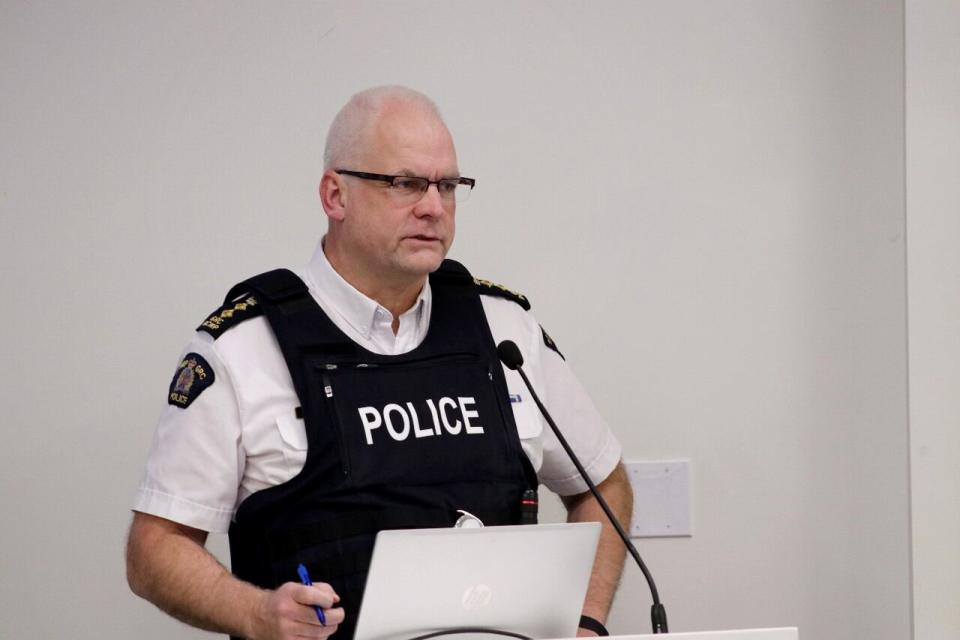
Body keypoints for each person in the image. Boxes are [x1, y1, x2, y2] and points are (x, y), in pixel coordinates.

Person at [126, 85, 633, 640]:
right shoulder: (242, 348)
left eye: (448, 185)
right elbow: (155, 549)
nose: (433, 206)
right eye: (405, 183)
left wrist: (585, 624)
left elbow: (603, 485)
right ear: (334, 195)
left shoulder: (503, 329)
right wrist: (258, 616)